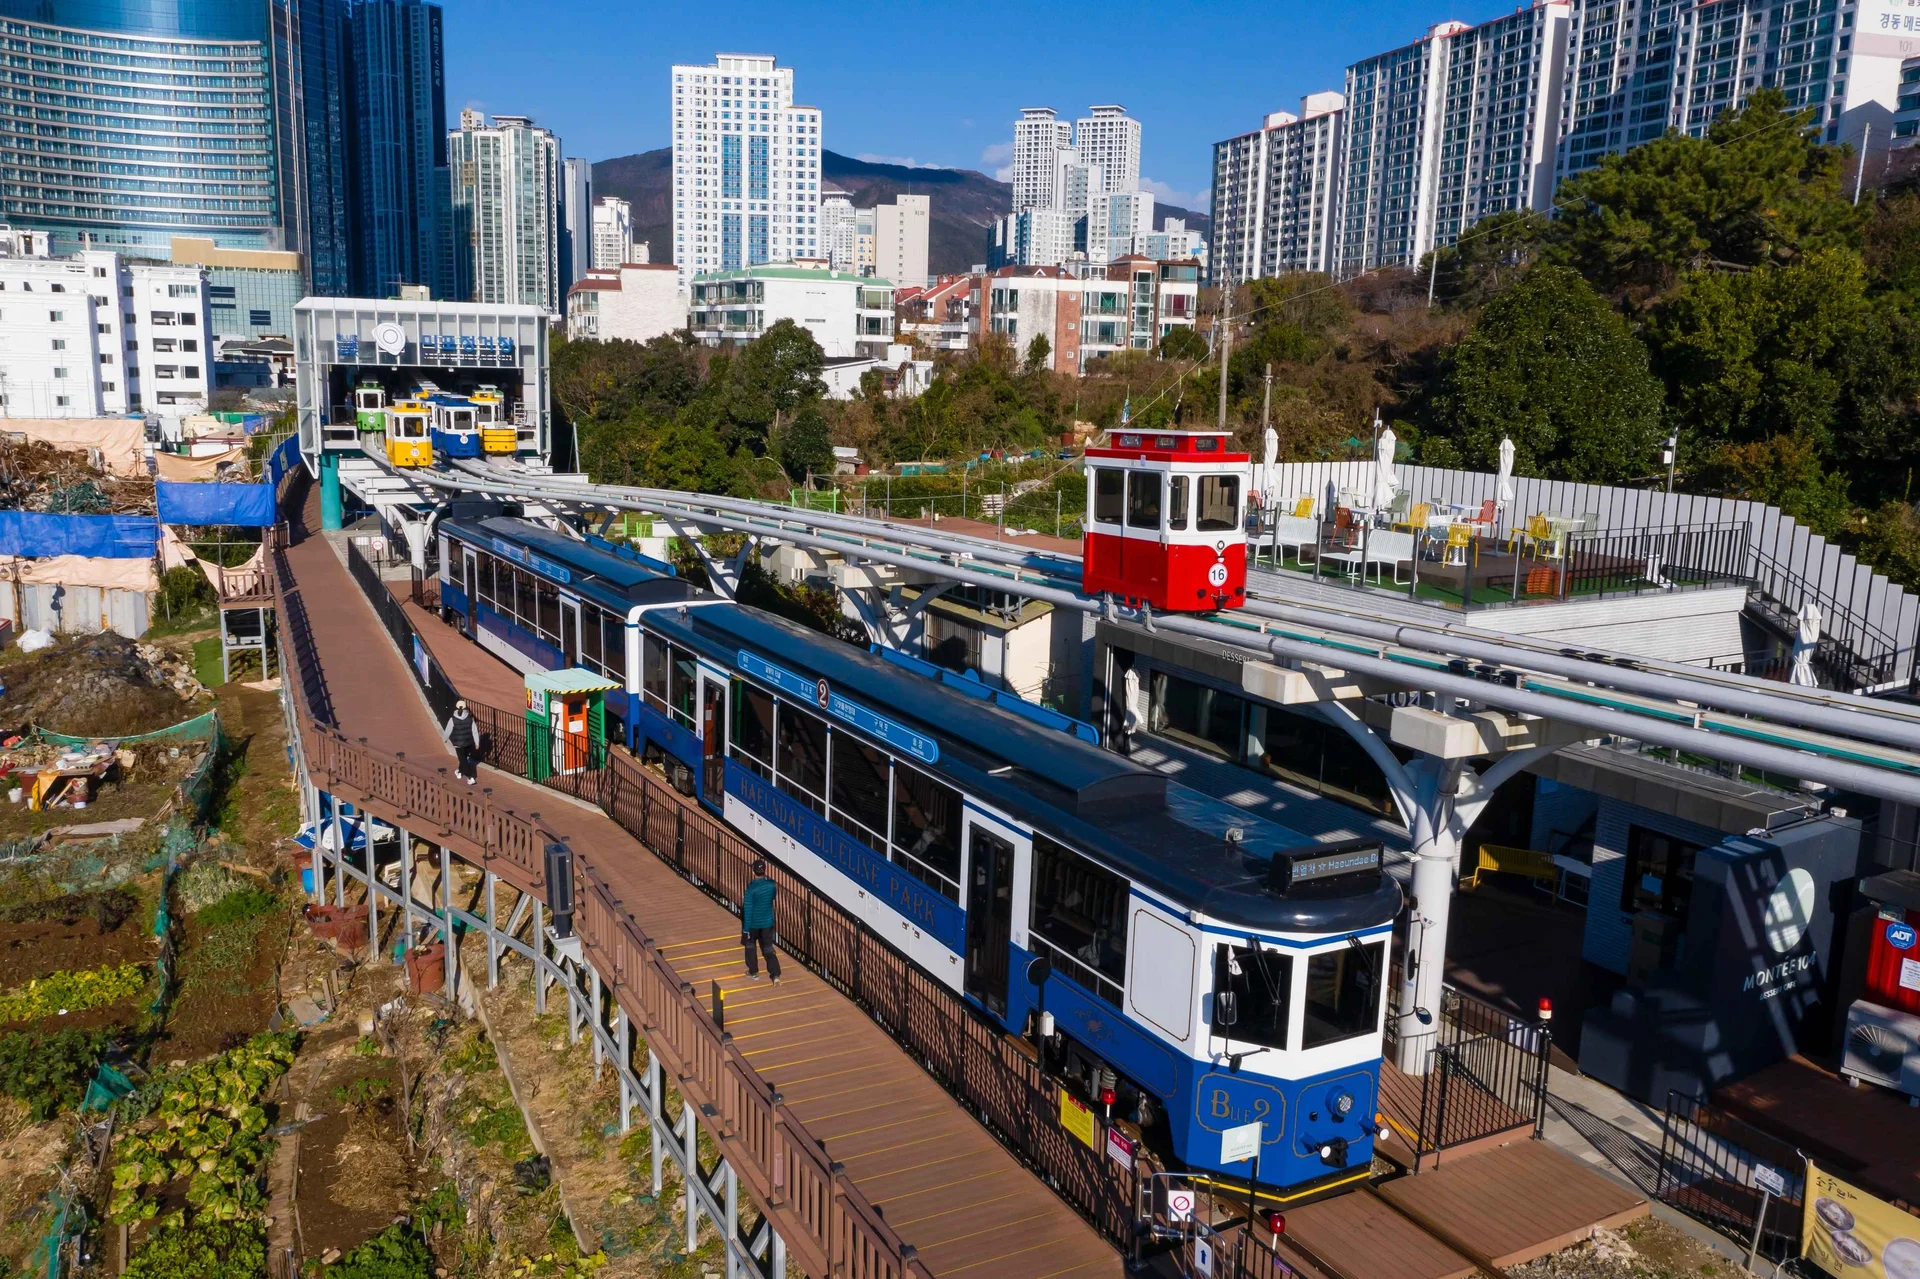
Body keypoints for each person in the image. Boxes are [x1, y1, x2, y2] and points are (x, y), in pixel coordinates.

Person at [740, 859, 781, 983]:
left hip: (753, 924)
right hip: (767, 922)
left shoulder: (751, 889)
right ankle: (775, 975)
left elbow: (747, 910)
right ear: (764, 870)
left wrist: (746, 929)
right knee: (768, 949)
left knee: (751, 947)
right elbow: (773, 896)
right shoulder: (771, 885)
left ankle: (754, 972)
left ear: (753, 871)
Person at [444, 699, 479, 784]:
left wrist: (445, 738)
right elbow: (474, 730)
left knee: (462, 759)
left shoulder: (453, 718)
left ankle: (470, 776)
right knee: (464, 758)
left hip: (458, 742)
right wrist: (477, 742)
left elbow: (448, 729)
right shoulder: (470, 718)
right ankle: (459, 771)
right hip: (468, 742)